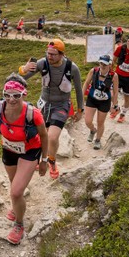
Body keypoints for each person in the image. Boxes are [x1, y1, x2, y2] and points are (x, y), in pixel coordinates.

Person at [0, 75, 48, 245]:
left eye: (16, 95)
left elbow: (43, 135)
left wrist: (44, 160)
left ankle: (19, 224)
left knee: (16, 191)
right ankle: (16, 206)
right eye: (7, 95)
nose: (11, 99)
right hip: (9, 148)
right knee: (14, 184)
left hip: (30, 150)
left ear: (24, 94)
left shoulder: (32, 114)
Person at [19, 39, 84, 179]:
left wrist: (80, 110)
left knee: (52, 137)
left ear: (62, 54)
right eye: (48, 53)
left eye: (53, 54)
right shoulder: (42, 63)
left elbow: (79, 90)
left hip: (61, 105)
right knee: (40, 135)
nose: (49, 56)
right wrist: (23, 69)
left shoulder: (72, 68)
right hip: (44, 105)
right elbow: (22, 78)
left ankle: (52, 162)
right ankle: (42, 159)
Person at [82, 55, 118, 150]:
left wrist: (115, 105)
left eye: (105, 64)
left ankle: (97, 140)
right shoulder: (93, 71)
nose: (102, 65)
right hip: (92, 98)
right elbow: (86, 83)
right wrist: (81, 97)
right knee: (88, 121)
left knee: (100, 122)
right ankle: (93, 130)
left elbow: (115, 91)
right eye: (101, 63)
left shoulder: (114, 76)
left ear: (109, 65)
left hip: (105, 101)